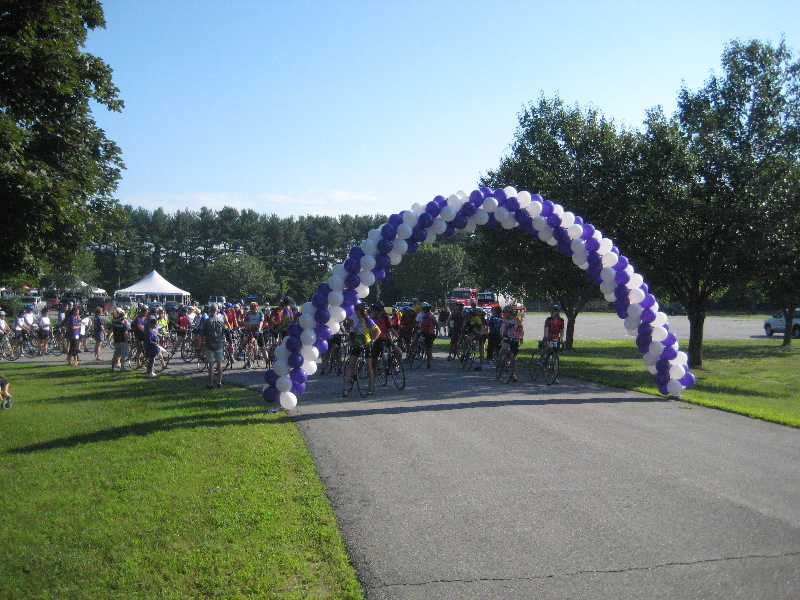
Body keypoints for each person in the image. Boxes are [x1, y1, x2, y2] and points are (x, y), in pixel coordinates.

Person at [342, 303, 380, 397]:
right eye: (357, 311)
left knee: (369, 366)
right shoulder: (354, 320)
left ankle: (371, 387)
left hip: (366, 344)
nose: (357, 313)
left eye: (359, 311)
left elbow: (378, 331)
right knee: (351, 366)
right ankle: (345, 388)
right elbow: (352, 331)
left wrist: (373, 340)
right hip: (357, 344)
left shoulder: (368, 320)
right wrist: (351, 341)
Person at [370, 302, 403, 375]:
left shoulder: (385, 318)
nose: (374, 312)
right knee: (374, 362)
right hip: (376, 341)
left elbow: (392, 329)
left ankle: (394, 365)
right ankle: (373, 380)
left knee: (398, 352)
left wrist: (398, 337)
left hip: (385, 340)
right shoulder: (371, 319)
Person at [200, 303, 228, 389]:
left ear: (210, 310)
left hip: (209, 344)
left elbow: (203, 335)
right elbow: (226, 330)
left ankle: (210, 383)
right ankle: (219, 382)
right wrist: (230, 342)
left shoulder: (207, 321)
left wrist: (201, 347)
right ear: (217, 310)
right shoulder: (221, 319)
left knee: (211, 364)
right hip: (219, 344)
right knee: (219, 364)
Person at [501, 305, 525, 382]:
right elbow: (502, 328)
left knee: (514, 358)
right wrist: (501, 335)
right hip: (507, 337)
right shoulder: (505, 320)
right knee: (503, 348)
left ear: (509, 313)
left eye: (505, 312)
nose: (504, 314)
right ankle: (500, 361)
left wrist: (521, 337)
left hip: (515, 338)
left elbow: (521, 330)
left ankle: (513, 375)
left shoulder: (517, 320)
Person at [243, 301, 265, 369]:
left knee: (262, 347)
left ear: (257, 307)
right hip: (251, 331)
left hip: (258, 331)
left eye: (255, 307)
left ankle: (267, 360)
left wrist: (258, 331)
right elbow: (246, 322)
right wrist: (246, 329)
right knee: (250, 345)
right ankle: (248, 361)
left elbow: (261, 323)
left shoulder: (260, 314)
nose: (253, 308)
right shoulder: (249, 314)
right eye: (252, 307)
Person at [417, 303, 438, 368]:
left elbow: (437, 325)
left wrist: (436, 333)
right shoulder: (423, 316)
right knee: (417, 339)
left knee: (428, 348)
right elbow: (420, 324)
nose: (422, 310)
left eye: (423, 309)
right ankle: (418, 351)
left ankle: (428, 362)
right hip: (423, 332)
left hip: (429, 333)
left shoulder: (431, 316)